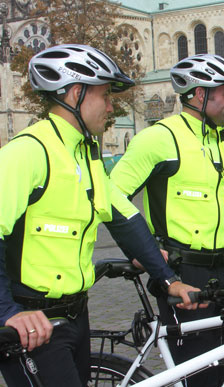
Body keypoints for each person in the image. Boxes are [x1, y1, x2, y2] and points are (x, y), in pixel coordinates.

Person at [0, 44, 199, 387]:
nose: (111, 107)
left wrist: (168, 279)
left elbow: (124, 221)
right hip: (34, 325)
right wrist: (7, 312)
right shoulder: (27, 152)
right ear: (76, 94)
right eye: (105, 96)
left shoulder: (86, 154)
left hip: (76, 316)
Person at [110, 53, 224, 386]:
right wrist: (140, 250)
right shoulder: (158, 139)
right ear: (199, 94)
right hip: (182, 273)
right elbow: (111, 197)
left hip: (222, 272)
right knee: (200, 375)